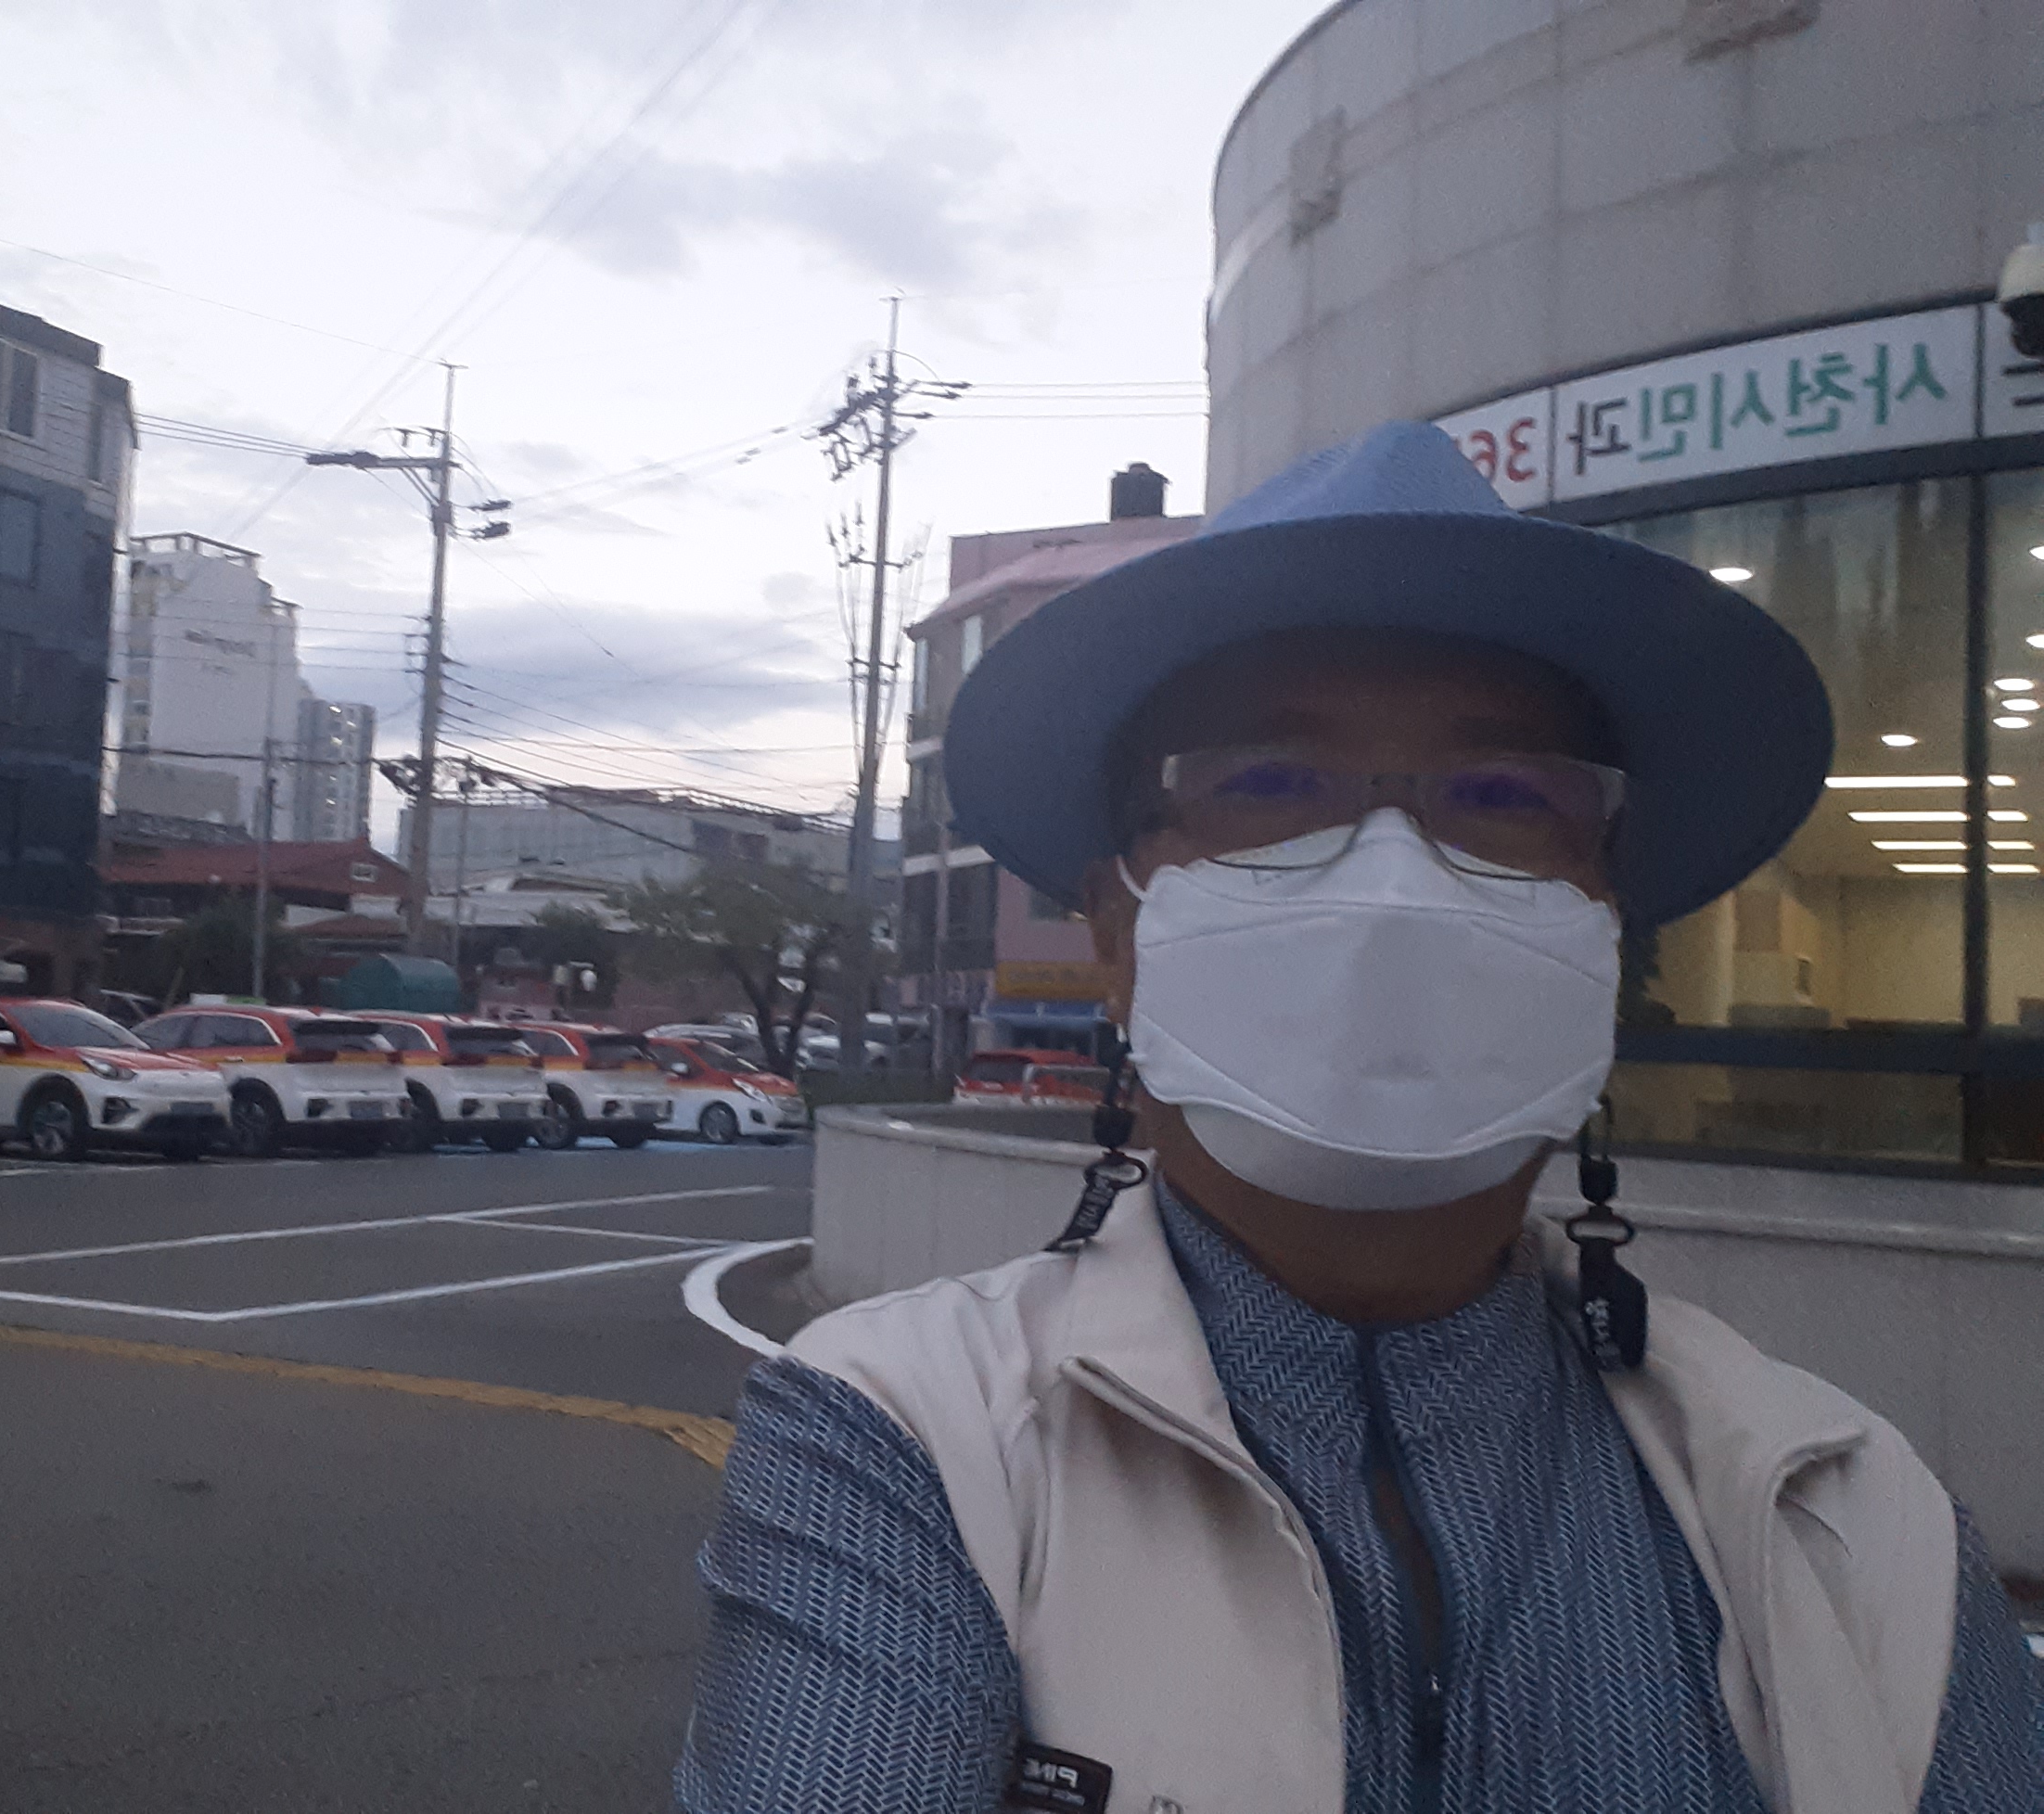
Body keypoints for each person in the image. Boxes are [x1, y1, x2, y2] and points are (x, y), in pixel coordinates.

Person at [675, 422, 2044, 1814]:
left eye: (1503, 795)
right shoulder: (903, 1437)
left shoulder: (1852, 1517)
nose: (1394, 882)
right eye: (1271, 785)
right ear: (1118, 934)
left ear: (1603, 932)